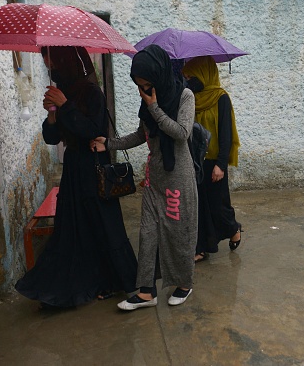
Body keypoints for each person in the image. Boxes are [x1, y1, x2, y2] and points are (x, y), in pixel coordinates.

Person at [15, 46, 138, 309]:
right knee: (75, 227)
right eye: (46, 63)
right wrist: (51, 114)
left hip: (94, 166)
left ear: (65, 61)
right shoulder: (64, 93)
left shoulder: (91, 93)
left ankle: (120, 280)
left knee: (104, 224)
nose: (49, 68)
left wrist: (65, 106)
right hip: (73, 169)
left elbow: (92, 131)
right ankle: (85, 282)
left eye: (51, 62)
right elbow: (52, 138)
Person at [92, 44, 198, 310]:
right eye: (139, 86)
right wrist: (110, 144)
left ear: (159, 76)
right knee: (148, 233)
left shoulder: (185, 96)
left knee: (177, 234)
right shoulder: (148, 100)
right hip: (154, 178)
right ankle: (147, 292)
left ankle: (184, 283)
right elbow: (142, 135)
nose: (144, 90)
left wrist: (155, 108)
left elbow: (182, 133)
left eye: (147, 85)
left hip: (177, 179)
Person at [181, 56, 242, 263]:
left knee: (218, 206)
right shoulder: (190, 98)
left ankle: (233, 228)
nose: (189, 80)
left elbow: (225, 134)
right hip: (195, 160)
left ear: (204, 74)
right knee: (199, 207)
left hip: (215, 160)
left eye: (192, 76)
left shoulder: (220, 97)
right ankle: (201, 248)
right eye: (187, 76)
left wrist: (221, 165)